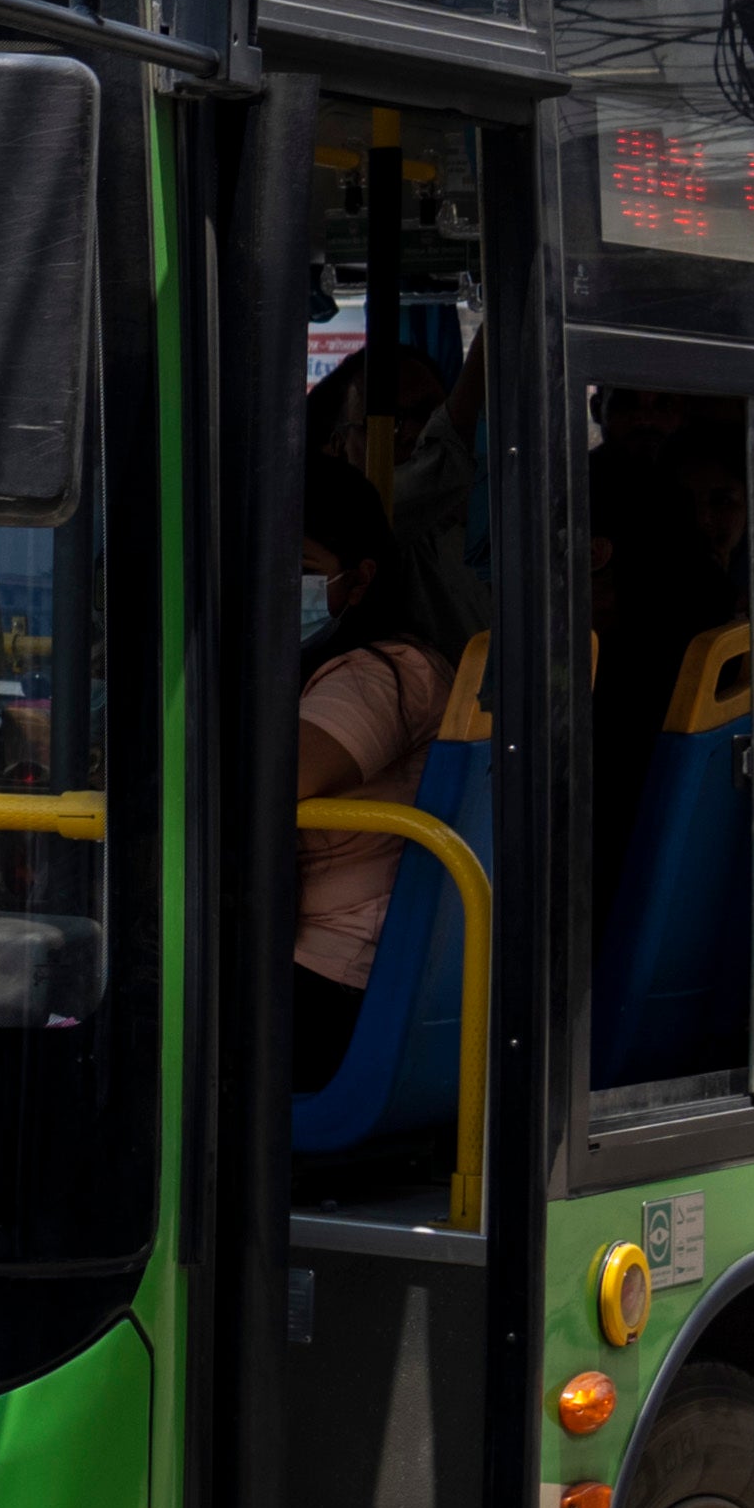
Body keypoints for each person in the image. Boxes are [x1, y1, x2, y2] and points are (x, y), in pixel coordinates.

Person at [287, 453, 464, 1096]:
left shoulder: (383, 674)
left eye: (303, 571)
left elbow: (269, 786)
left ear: (361, 580)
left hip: (328, 990)